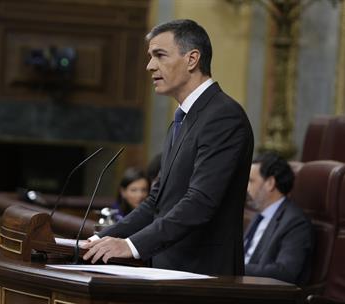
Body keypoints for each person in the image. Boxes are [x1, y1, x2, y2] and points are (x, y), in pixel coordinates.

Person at [82, 19, 254, 276]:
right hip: (170, 271)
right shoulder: (182, 118)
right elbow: (156, 202)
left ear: (192, 59)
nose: (150, 66)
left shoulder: (223, 116)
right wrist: (100, 240)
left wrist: (131, 245)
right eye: (151, 56)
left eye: (159, 55)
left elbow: (200, 202)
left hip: (203, 275)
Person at [244, 152, 313, 284]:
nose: (246, 188)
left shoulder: (295, 222)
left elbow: (285, 272)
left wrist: (237, 268)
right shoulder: (259, 215)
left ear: (270, 183)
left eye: (251, 181)